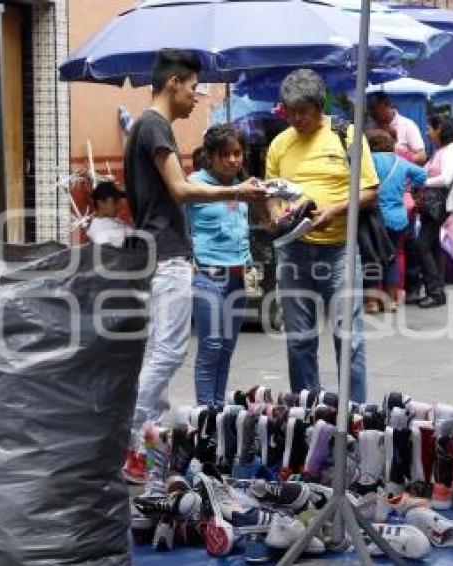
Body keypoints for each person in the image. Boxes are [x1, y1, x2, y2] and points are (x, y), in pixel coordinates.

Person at [121, 49, 265, 483]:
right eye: (193, 88)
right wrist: (237, 191)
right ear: (174, 83)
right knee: (167, 352)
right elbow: (180, 190)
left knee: (160, 352)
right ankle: (127, 440)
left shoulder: (149, 126)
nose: (196, 97)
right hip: (166, 256)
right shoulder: (153, 125)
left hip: (160, 254)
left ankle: (148, 442)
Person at [266, 69, 379, 402]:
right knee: (299, 339)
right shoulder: (279, 144)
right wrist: (276, 214)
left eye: (304, 111)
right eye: (291, 111)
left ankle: (355, 415)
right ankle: (308, 413)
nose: (297, 118)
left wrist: (334, 209)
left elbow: (370, 190)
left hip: (339, 251)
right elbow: (272, 193)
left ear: (319, 106)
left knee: (349, 339)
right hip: (293, 251)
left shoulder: (347, 135)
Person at [187, 125, 251, 407]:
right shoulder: (194, 184)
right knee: (210, 347)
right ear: (210, 157)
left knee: (226, 349)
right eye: (225, 155)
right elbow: (179, 225)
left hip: (237, 277)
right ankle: (205, 415)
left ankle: (217, 414)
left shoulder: (242, 184)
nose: (233, 160)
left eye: (237, 153)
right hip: (208, 276)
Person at [366, 129, 427, 313]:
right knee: (391, 258)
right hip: (399, 219)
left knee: (371, 258)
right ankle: (391, 300)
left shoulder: (369, 161)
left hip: (375, 218)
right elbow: (422, 175)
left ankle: (372, 302)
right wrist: (408, 188)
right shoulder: (401, 162)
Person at [410, 115, 453, 308]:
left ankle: (434, 291)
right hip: (431, 206)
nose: (427, 132)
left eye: (429, 128)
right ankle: (437, 290)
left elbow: (446, 178)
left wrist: (422, 182)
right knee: (432, 245)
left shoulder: (452, 150)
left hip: (439, 206)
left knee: (421, 245)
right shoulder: (440, 151)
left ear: (439, 128)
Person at [367, 92, 427, 165]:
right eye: (372, 112)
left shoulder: (407, 125)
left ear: (387, 106)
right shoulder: (371, 126)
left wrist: (401, 160)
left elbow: (422, 156)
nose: (374, 115)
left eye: (376, 111)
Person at [86, 180, 129, 247]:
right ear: (101, 203)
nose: (119, 205)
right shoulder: (100, 231)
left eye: (119, 200)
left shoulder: (115, 220)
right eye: (115, 201)